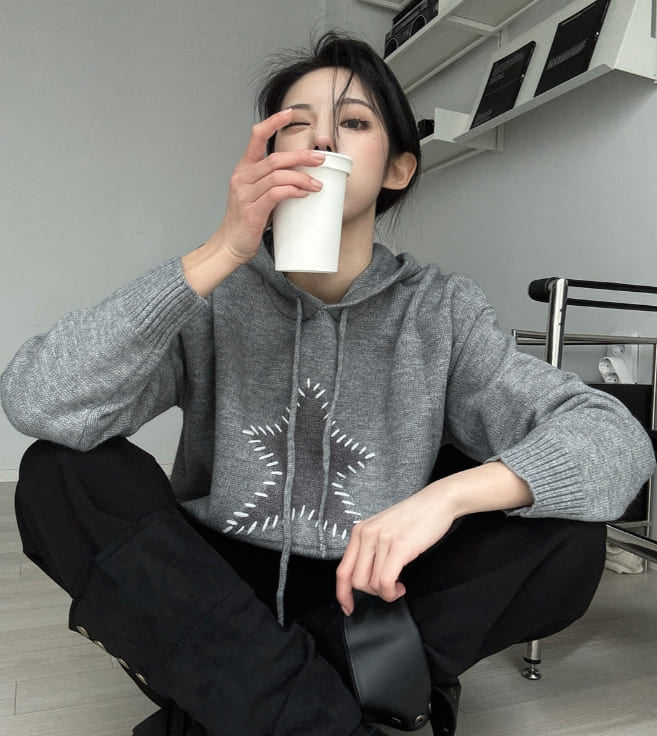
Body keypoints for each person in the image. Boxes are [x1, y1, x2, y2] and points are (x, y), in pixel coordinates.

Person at [1, 31, 654, 736]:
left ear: (398, 168)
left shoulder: (441, 309)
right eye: (296, 125)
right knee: (59, 472)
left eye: (353, 122)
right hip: (215, 587)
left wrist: (446, 498)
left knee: (566, 537)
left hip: (371, 587)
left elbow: (614, 441)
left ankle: (240, 698)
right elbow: (40, 400)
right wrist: (221, 250)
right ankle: (352, 705)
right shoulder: (217, 296)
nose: (319, 141)